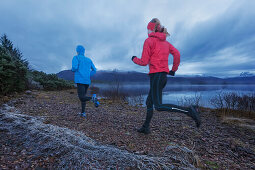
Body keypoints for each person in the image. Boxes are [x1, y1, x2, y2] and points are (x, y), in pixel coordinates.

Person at [132, 18, 201, 134]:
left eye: (148, 29)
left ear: (151, 29)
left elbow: (144, 62)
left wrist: (134, 59)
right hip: (162, 76)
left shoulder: (149, 41)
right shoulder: (166, 43)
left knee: (158, 106)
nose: (148, 32)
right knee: (149, 102)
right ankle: (145, 127)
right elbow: (177, 54)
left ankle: (190, 111)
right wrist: (173, 70)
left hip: (156, 76)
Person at [72, 45, 99, 118]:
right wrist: (88, 75)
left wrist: (73, 69)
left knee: (81, 97)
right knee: (83, 97)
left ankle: (93, 99)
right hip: (87, 81)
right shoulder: (89, 60)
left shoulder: (76, 57)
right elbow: (94, 70)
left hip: (79, 80)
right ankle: (83, 113)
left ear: (77, 51)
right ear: (84, 51)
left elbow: (74, 67)